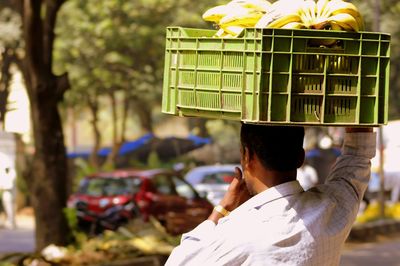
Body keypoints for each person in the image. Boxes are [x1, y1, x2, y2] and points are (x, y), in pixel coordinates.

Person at [165, 124, 375, 265]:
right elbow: (357, 157)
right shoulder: (331, 211)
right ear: (301, 157)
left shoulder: (237, 232)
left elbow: (178, 262)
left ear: (246, 156)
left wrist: (222, 209)